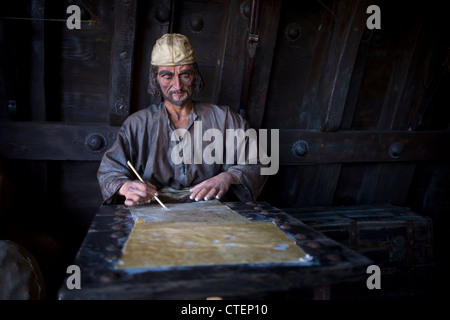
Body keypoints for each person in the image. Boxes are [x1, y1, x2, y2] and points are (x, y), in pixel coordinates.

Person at [97, 33, 267, 206]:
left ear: (195, 76)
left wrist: (229, 177)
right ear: (155, 79)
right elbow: (109, 172)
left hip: (211, 211)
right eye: (167, 76)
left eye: (185, 75)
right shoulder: (137, 124)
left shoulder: (225, 119)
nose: (177, 86)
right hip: (153, 210)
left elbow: (260, 163)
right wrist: (126, 187)